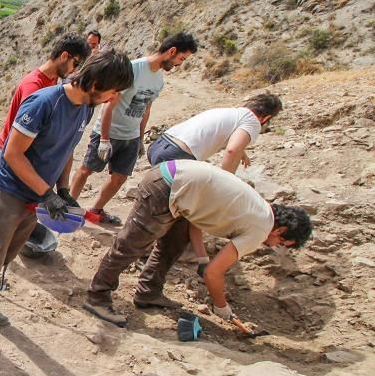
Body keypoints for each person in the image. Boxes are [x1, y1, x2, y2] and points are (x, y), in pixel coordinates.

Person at [0, 50, 135, 353]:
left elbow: (67, 149)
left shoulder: (85, 107)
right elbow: (13, 154)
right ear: (96, 82)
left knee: (4, 258)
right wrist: (46, 193)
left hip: (37, 200)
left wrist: (63, 189)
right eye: (113, 91)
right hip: (9, 195)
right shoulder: (45, 103)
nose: (113, 98)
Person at [83, 160, 312, 327]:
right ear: (280, 230)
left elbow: (198, 217)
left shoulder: (258, 209)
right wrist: (222, 308)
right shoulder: (260, 228)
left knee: (174, 244)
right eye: (281, 242)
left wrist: (202, 258)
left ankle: (148, 292)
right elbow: (214, 273)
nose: (274, 246)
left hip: (173, 182)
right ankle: (97, 296)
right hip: (166, 187)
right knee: (131, 245)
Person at [70, 32, 199, 225]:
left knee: (120, 177)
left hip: (130, 136)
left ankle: (96, 211)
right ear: (171, 51)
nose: (180, 63)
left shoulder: (159, 81)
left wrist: (139, 139)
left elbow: (146, 109)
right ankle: (69, 207)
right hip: (109, 131)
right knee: (86, 169)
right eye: (181, 58)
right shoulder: (133, 69)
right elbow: (108, 104)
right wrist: (104, 139)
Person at [147, 93, 283, 270]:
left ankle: (154, 244)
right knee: (184, 208)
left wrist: (242, 151)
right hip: (177, 154)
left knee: (165, 202)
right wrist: (224, 184)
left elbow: (229, 140)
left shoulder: (232, 112)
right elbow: (232, 150)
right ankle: (156, 248)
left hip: (160, 145)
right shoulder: (253, 122)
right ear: (266, 117)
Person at [0, 33, 91, 236]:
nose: (75, 71)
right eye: (75, 64)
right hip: (16, 146)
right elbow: (22, 133)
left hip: (28, 147)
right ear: (64, 56)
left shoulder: (53, 81)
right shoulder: (34, 85)